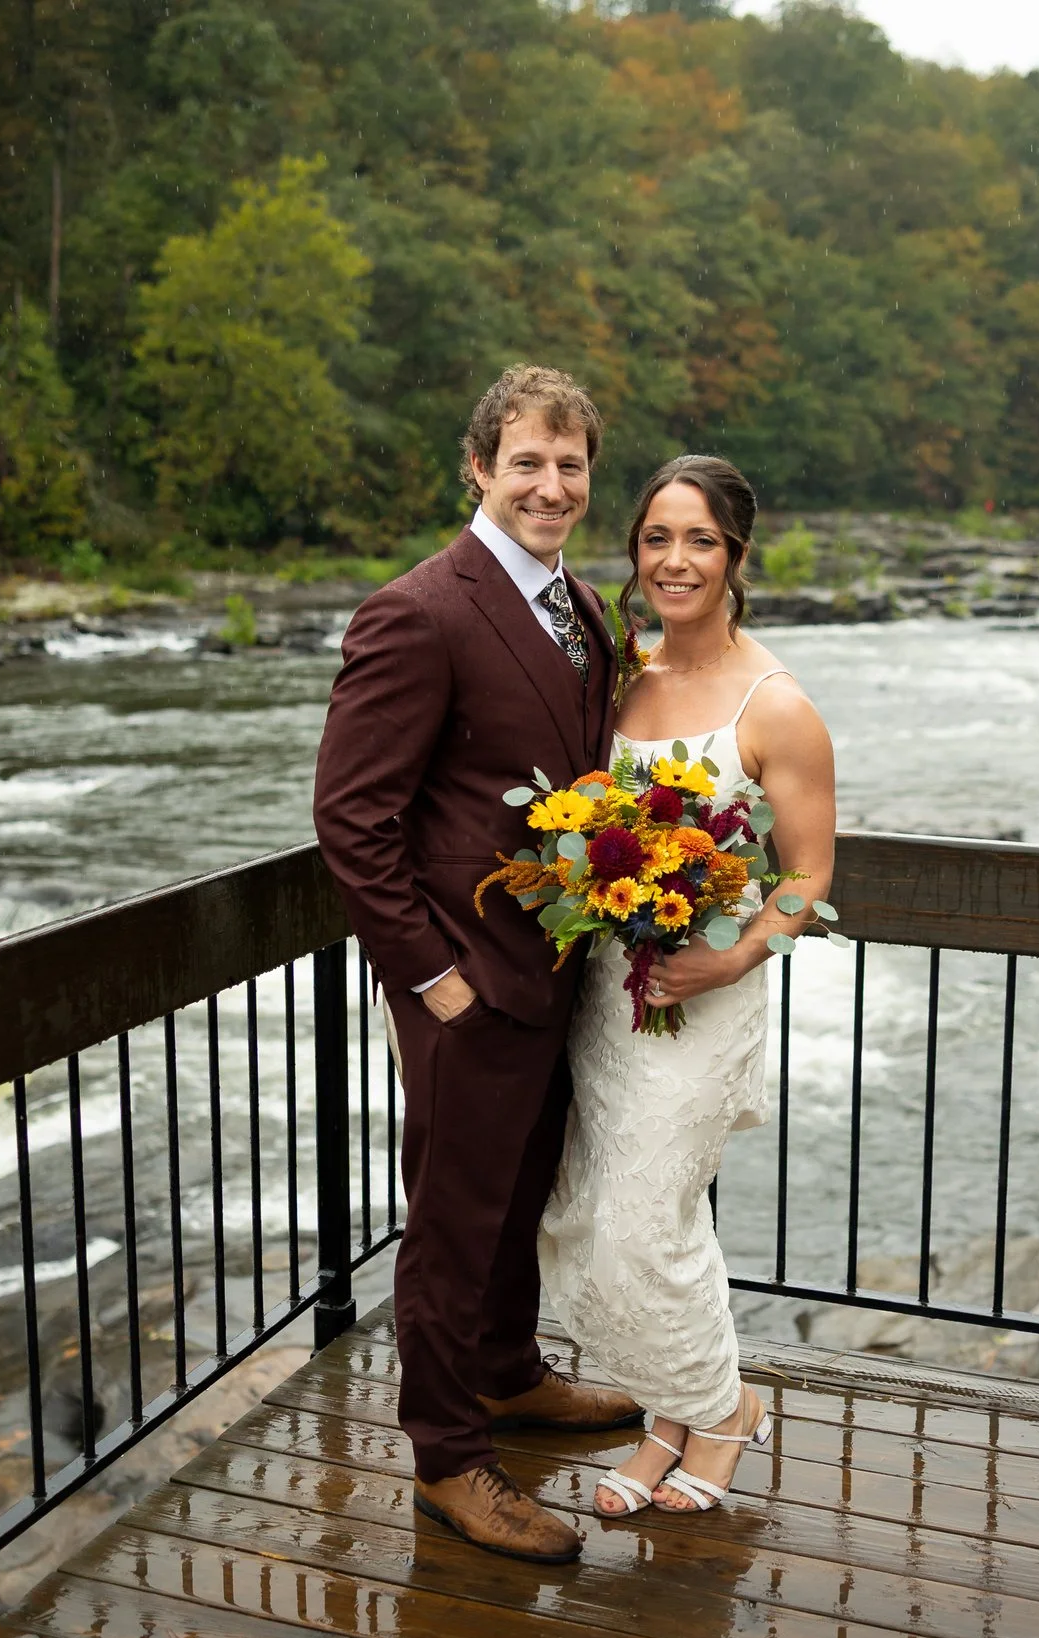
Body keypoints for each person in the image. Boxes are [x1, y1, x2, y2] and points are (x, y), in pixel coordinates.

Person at [311, 364, 642, 1565]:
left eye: (569, 465)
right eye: (526, 463)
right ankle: (449, 1456)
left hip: (552, 964)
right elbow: (351, 816)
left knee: (518, 1193)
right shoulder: (417, 609)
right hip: (463, 978)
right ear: (478, 468)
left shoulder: (582, 606)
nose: (551, 485)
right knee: (452, 1223)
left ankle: (507, 1371)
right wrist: (429, 976)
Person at [537, 454, 837, 1516]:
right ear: (634, 551)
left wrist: (733, 954)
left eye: (699, 540)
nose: (675, 559)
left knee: (647, 1221)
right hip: (607, 991)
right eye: (657, 538)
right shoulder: (620, 678)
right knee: (589, 1213)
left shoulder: (777, 705)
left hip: (705, 993)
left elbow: (807, 875)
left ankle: (722, 1413)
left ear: (735, 555)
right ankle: (675, 1414)